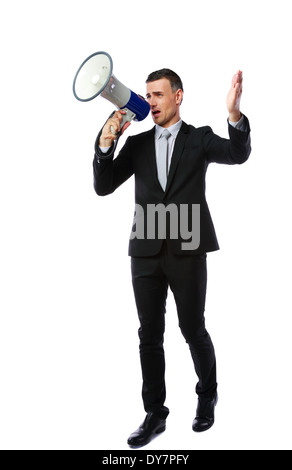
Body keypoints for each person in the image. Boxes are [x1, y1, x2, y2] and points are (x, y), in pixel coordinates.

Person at [93, 68, 251, 448]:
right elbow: (102, 186)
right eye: (148, 96)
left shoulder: (199, 139)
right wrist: (104, 145)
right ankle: (154, 415)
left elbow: (238, 154)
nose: (151, 102)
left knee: (192, 327)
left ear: (177, 97)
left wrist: (234, 116)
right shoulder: (138, 145)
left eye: (158, 95)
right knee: (149, 335)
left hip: (187, 247)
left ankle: (207, 395)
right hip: (145, 250)